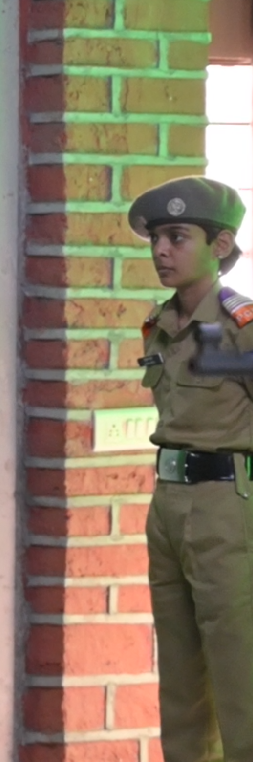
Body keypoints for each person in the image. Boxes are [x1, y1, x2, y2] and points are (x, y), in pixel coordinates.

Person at [128, 176, 253, 762]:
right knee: (179, 681)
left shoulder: (238, 328)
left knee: (239, 675)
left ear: (220, 245)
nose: (160, 250)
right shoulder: (161, 323)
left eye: (176, 237)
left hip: (227, 507)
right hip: (169, 506)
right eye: (156, 238)